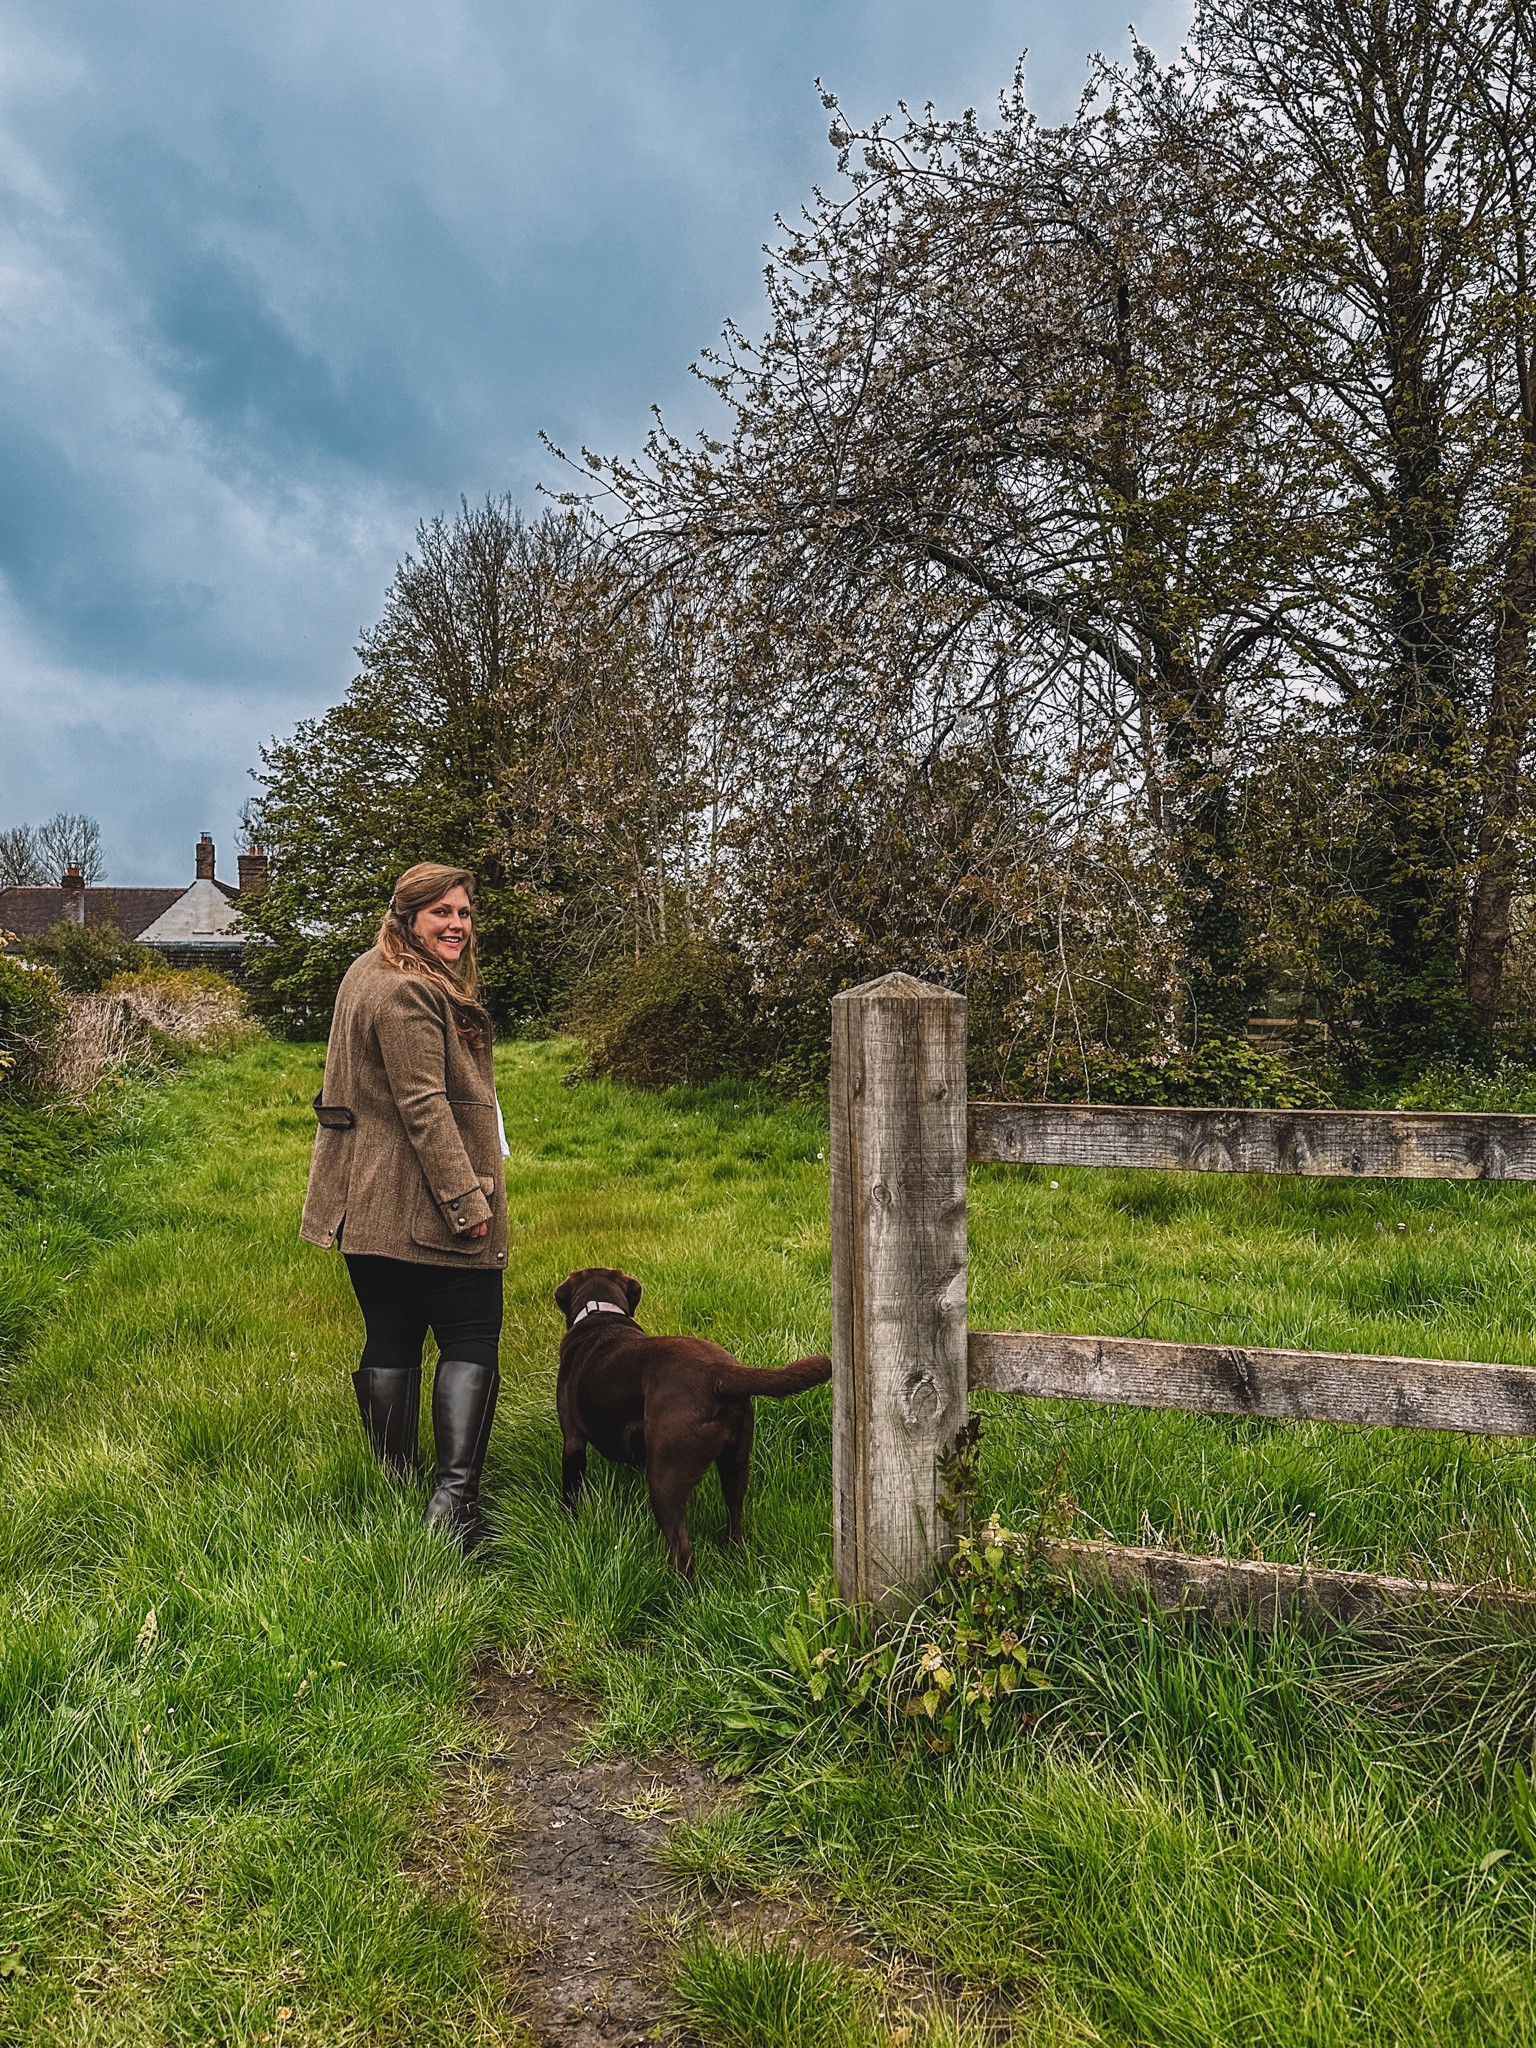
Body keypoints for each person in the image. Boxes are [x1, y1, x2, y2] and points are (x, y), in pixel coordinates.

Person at [301, 861, 508, 1551]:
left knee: (390, 1332)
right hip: (419, 1198)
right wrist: (466, 1201)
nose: (457, 925)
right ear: (407, 916)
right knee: (471, 1333)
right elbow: (424, 1107)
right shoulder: (410, 992)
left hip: (365, 1200)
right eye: (441, 913)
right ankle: (453, 1509)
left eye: (464, 913)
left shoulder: (367, 969)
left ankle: (394, 1486)